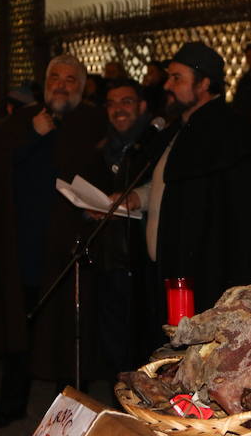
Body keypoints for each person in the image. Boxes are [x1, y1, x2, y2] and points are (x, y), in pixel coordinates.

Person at [0, 54, 107, 429]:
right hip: (27, 246)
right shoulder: (23, 120)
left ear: (81, 87)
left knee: (70, 331)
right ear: (44, 81)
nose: (62, 84)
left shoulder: (92, 121)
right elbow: (0, 164)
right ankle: (11, 403)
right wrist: (33, 134)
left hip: (70, 246)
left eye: (70, 79)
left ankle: (71, 414)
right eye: (55, 77)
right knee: (22, 326)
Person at [122, 42, 251, 314]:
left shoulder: (229, 133)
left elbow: (242, 220)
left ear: (204, 83)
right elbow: (171, 185)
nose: (167, 85)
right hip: (169, 274)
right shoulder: (179, 130)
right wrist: (138, 196)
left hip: (207, 280)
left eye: (177, 78)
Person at [92, 78, 160, 377]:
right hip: (107, 257)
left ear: (142, 106)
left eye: (127, 102)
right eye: (112, 103)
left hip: (141, 259)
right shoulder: (103, 147)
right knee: (112, 342)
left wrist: (134, 198)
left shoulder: (153, 144)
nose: (119, 109)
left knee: (141, 344)